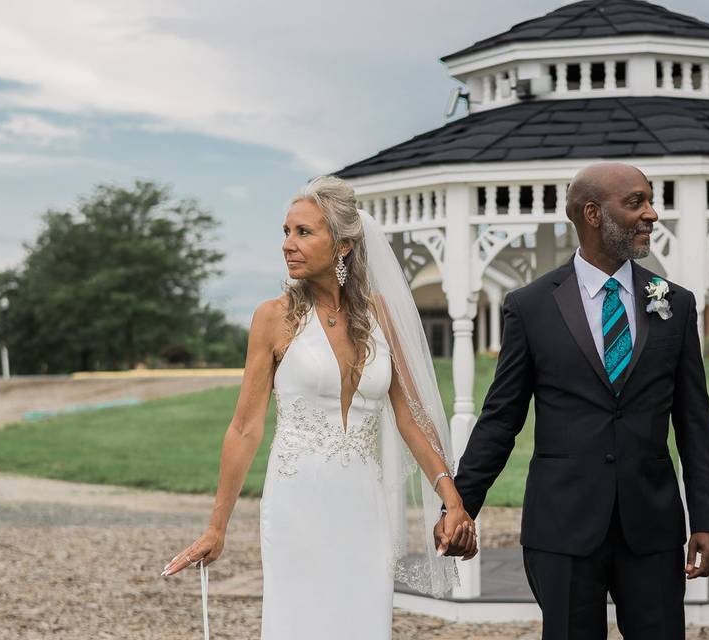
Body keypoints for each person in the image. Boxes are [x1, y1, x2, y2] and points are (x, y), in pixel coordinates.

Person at [162, 175, 477, 639]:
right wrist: (216, 527)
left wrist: (452, 499)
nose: (288, 244)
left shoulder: (380, 314)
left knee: (362, 622)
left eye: (303, 232)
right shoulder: (273, 318)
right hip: (298, 504)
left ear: (343, 245)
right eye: (286, 232)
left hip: (365, 507)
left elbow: (410, 417)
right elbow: (245, 429)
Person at [437, 162, 709, 639]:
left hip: (652, 526)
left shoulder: (674, 302)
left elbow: (694, 421)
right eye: (636, 202)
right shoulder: (530, 307)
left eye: (651, 201)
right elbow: (501, 418)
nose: (651, 214)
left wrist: (708, 519)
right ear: (593, 213)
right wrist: (461, 505)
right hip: (562, 526)